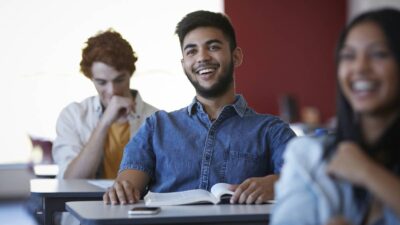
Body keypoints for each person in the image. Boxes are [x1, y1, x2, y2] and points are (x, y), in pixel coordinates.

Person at [103, 10, 295, 205]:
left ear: (236, 57)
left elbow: (307, 182)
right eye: (191, 51)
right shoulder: (156, 127)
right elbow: (126, 188)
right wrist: (121, 190)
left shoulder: (272, 131)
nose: (202, 57)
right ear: (184, 64)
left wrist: (277, 183)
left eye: (213, 47)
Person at [271, 8, 400, 225]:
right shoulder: (308, 157)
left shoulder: (359, 166)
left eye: (379, 54)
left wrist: (367, 172)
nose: (360, 67)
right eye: (348, 56)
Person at [52, 29, 158, 180]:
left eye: (119, 80)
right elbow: (72, 181)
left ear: (130, 73)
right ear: (91, 78)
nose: (112, 90)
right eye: (102, 82)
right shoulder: (73, 116)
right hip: (86, 203)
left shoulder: (156, 119)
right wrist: (105, 122)